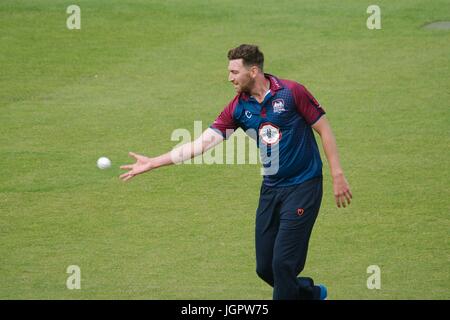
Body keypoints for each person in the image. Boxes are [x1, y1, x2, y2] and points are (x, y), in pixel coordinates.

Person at [119, 44, 352, 300]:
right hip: (271, 189)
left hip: (304, 186)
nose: (229, 77)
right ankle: (311, 293)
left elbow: (324, 129)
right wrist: (153, 162)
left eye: (234, 71)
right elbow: (202, 144)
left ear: (253, 71)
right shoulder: (238, 108)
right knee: (265, 268)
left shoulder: (291, 93)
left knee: (283, 265)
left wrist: (337, 174)